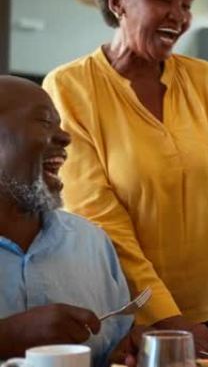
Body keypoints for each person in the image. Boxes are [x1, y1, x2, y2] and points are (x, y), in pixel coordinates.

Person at [42, 0, 208, 355]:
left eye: (185, 4)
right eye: (164, 0)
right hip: (126, 317)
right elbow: (103, 227)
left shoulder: (207, 82)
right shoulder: (70, 86)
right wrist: (174, 324)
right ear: (118, 2)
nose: (179, 17)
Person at [0, 76, 137, 367]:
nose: (65, 137)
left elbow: (116, 346)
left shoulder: (92, 242)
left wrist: (123, 353)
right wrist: (7, 336)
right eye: (45, 122)